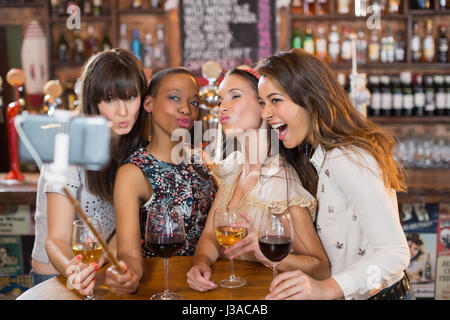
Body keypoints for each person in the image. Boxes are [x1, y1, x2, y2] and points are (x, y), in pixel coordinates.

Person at [256, 48, 412, 300]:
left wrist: (326, 288)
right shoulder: (319, 154)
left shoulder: (347, 157)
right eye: (263, 103)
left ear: (310, 98)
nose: (265, 113)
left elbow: (394, 254)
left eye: (276, 100)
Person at [186, 67, 330, 292]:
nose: (222, 107)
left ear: (263, 106)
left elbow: (321, 268)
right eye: (220, 100)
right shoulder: (233, 168)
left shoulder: (279, 181)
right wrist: (200, 265)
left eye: (235, 96)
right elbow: (210, 236)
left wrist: (263, 252)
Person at [30, 49, 149, 297]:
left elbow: (123, 227)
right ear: (92, 101)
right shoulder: (68, 148)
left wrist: (113, 263)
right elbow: (56, 239)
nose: (123, 111)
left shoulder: (136, 148)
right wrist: (74, 270)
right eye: (110, 99)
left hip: (100, 269)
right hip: (56, 274)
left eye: (130, 97)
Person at [105, 68, 216, 295]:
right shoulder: (133, 173)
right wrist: (128, 275)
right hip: (162, 287)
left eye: (194, 102)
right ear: (148, 104)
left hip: (208, 284)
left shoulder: (203, 160)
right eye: (174, 98)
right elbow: (128, 254)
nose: (186, 109)